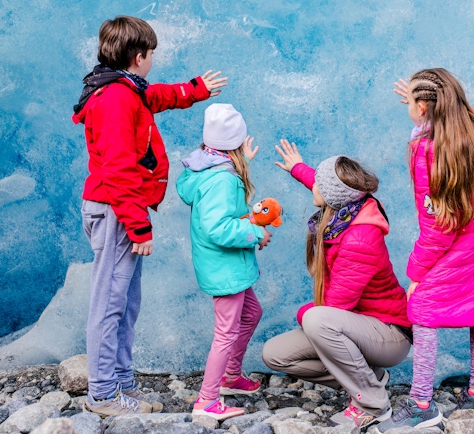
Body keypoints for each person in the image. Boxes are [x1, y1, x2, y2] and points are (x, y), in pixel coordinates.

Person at [73, 15, 227, 417]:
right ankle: (104, 393)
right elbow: (118, 169)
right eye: (152, 54)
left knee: (125, 300)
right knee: (109, 302)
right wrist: (138, 225)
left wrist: (194, 91)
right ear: (140, 57)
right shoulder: (116, 98)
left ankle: (121, 383)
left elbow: (153, 97)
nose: (154, 60)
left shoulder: (121, 87)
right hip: (116, 210)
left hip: (117, 208)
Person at [374, 68, 474, 433]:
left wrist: (415, 274)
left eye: (413, 104)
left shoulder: (427, 152)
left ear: (422, 107)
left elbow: (436, 229)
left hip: (459, 236)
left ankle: (421, 404)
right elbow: (458, 108)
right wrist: (424, 102)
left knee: (423, 307)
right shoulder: (473, 127)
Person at [262, 141, 412, 429]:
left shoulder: (359, 238)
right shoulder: (347, 209)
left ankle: (373, 403)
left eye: (318, 182)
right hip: (355, 326)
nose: (314, 185)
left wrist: (304, 314)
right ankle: (370, 378)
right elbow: (330, 188)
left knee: (316, 318)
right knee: (275, 354)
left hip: (389, 333)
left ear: (332, 195)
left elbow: (335, 308)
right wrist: (297, 168)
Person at [176, 103, 272, 421]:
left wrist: (241, 161)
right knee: (225, 332)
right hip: (225, 268)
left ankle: (231, 376)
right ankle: (207, 400)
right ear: (233, 144)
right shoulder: (222, 180)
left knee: (252, 312)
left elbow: (222, 209)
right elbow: (218, 227)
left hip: (227, 265)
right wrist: (255, 232)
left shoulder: (211, 168)